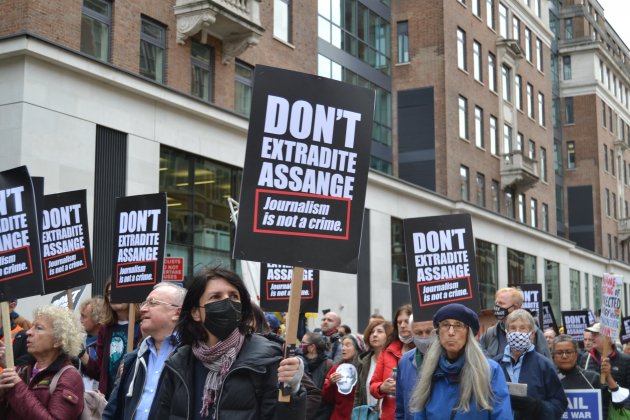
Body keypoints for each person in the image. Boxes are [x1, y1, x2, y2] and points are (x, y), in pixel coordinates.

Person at [150, 267, 306, 419]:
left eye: (233, 296)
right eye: (216, 297)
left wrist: (292, 390)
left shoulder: (267, 359)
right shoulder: (179, 362)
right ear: (195, 313)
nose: (227, 301)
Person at [410, 303, 511, 419]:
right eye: (445, 325)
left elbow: (503, 416)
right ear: (438, 332)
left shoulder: (490, 371)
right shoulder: (429, 371)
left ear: (469, 333)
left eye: (458, 325)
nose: (451, 332)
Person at [104, 282, 186, 419]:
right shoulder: (132, 360)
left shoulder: (192, 358)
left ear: (177, 313)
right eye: (144, 303)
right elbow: (113, 412)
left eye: (152, 303)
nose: (142, 309)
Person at [0, 305, 85, 419]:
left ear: (58, 340)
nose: (28, 332)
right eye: (32, 327)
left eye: (38, 328)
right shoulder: (22, 369)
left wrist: (17, 387)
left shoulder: (70, 377)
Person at [496, 309, 567, 419]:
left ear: (532, 334)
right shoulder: (495, 365)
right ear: (507, 333)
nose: (517, 332)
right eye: (513, 328)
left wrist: (537, 407)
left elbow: (559, 404)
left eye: (523, 328)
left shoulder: (544, 365)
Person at [81, 280, 142, 397]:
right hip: (109, 397)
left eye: (119, 291)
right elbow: (99, 371)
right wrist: (80, 354)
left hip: (131, 395)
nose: (113, 296)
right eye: (109, 293)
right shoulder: (106, 329)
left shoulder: (141, 326)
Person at [369, 304, 414, 420]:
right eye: (399, 322)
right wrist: (382, 387)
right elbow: (373, 385)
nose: (403, 325)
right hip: (390, 416)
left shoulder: (424, 350)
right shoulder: (387, 351)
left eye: (406, 321)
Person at [480, 287, 551, 359]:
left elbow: (546, 365)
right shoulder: (490, 333)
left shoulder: (535, 334)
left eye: (501, 303)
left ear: (515, 307)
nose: (497, 307)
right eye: (496, 303)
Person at [552, 334, 612, 419]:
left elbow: (611, 406)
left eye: (569, 352)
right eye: (559, 353)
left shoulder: (593, 379)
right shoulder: (547, 380)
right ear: (553, 356)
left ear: (576, 354)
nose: (564, 356)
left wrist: (609, 377)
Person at [581, 322, 630, 411]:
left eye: (596, 334)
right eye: (592, 334)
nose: (592, 337)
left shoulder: (626, 360)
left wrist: (623, 411)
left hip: (616, 412)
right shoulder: (585, 358)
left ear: (609, 339)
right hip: (592, 411)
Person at [396, 316, 435, 420]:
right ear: (412, 334)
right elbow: (400, 408)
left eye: (429, 331)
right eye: (418, 333)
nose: (424, 337)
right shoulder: (405, 361)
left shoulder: (447, 360)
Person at [321, 333, 366, 420]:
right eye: (342, 345)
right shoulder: (336, 369)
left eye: (348, 345)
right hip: (338, 416)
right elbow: (328, 398)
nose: (343, 348)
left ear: (358, 348)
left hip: (360, 415)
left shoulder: (364, 368)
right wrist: (330, 383)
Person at [355, 319, 393, 410]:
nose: (374, 335)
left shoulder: (396, 359)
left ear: (388, 336)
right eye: (372, 332)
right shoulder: (363, 362)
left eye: (379, 331)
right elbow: (358, 393)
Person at [79, 296, 105, 391]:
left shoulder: (107, 343)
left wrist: (82, 354)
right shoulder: (80, 339)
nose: (80, 320)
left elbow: (100, 373)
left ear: (97, 319)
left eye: (84, 316)